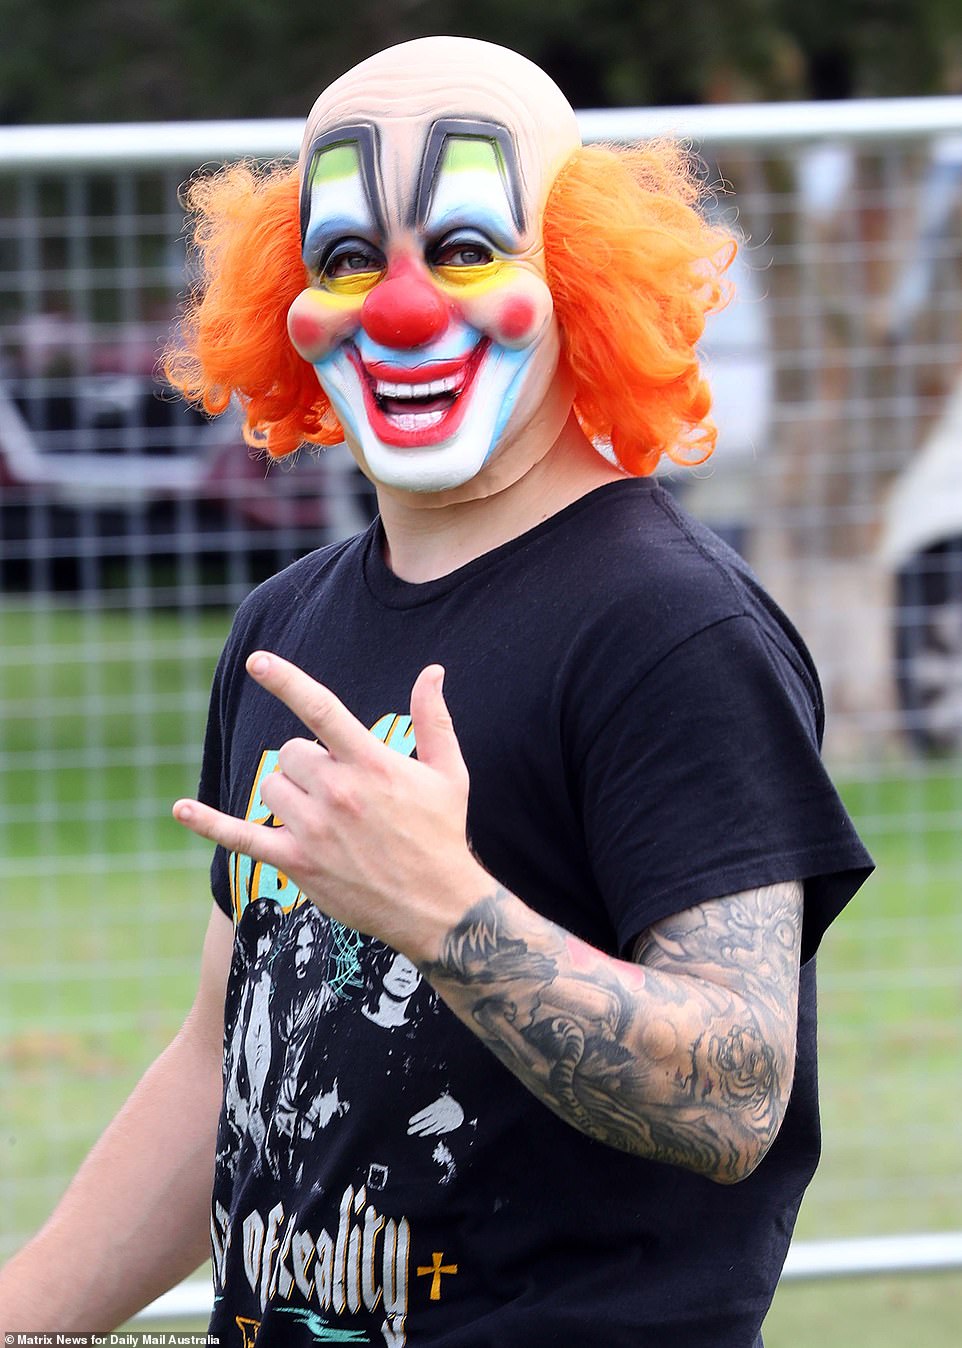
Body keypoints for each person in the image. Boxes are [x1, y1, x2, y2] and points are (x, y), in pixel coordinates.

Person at [0, 36, 872, 1346]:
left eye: (465, 250)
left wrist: (444, 914)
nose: (401, 310)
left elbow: (732, 1095)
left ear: (579, 275)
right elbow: (218, 1062)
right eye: (349, 260)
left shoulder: (668, 625)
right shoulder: (284, 626)